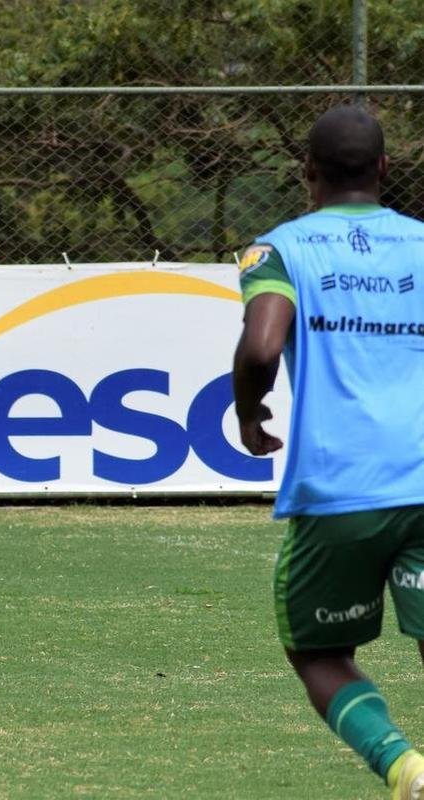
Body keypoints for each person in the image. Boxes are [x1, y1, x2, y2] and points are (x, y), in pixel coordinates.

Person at [233, 104, 424, 799]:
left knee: (317, 650)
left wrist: (250, 410)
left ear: (307, 173)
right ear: (383, 169)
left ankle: (403, 766)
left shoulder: (279, 249)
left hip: (341, 485)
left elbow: (261, 346)